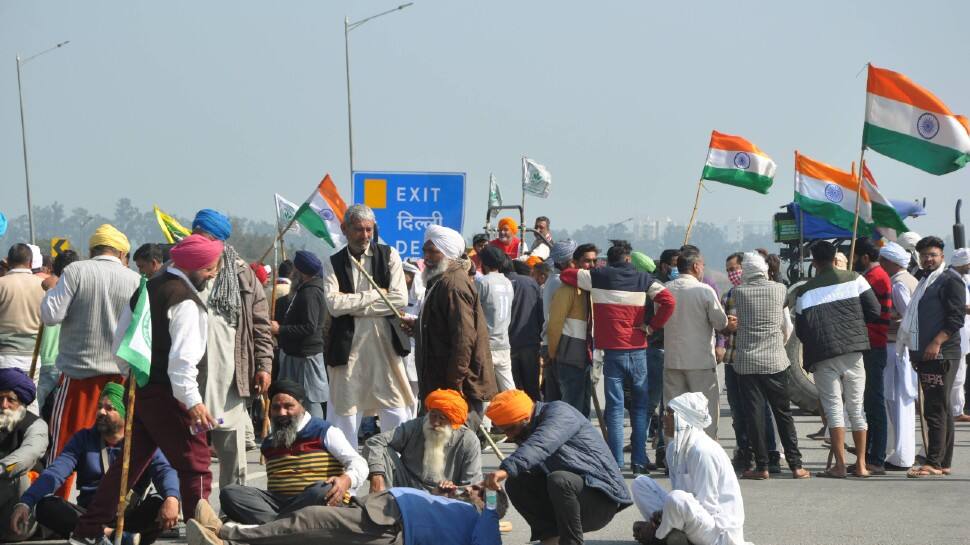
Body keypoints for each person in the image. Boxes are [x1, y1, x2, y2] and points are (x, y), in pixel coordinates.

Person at [70, 234, 224, 545]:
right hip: (171, 395)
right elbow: (182, 362)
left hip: (140, 392)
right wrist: (192, 401)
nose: (212, 274)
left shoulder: (146, 288)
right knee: (196, 465)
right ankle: (202, 533)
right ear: (195, 266)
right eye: (210, 269)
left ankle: (86, 531)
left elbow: (119, 345)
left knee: (128, 466)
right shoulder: (185, 302)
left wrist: (135, 381)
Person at [41, 224, 140, 499]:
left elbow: (51, 315)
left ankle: (54, 507)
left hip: (78, 378)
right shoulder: (133, 280)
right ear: (122, 252)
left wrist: (50, 289)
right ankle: (111, 506)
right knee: (116, 445)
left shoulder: (76, 271)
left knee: (62, 447)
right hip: (118, 379)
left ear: (92, 250)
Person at [12, 383, 179, 543]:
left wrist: (172, 497)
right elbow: (55, 472)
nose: (101, 412)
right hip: (90, 517)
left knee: (161, 503)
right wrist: (26, 501)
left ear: (126, 413)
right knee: (45, 506)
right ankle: (111, 536)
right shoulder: (83, 438)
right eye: (100, 406)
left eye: (109, 408)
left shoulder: (142, 440)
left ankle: (101, 538)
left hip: (129, 518)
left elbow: (164, 470)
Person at [560, 240, 675, 473]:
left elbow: (566, 275)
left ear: (609, 261)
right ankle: (639, 462)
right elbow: (668, 302)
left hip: (612, 352)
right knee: (640, 408)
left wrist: (588, 267)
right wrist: (652, 326)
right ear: (628, 259)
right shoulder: (644, 280)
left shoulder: (598, 276)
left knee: (614, 407)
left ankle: (615, 462)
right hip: (638, 348)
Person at [483, 390, 631, 545]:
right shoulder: (527, 428)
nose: (510, 436)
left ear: (525, 418)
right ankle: (551, 539)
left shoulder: (560, 413)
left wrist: (505, 470)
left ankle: (571, 543)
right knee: (517, 482)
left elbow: (539, 445)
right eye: (504, 431)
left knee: (560, 480)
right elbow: (533, 465)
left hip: (601, 499)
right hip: (570, 497)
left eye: (510, 429)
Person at [323, 204, 414, 448]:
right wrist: (377, 294)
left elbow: (399, 300)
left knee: (395, 409)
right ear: (344, 229)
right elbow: (333, 304)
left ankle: (395, 466)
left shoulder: (389, 255)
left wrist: (353, 305)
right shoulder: (333, 262)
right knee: (345, 412)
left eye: (368, 230)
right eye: (358, 230)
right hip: (348, 347)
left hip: (385, 345)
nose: (364, 236)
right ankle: (349, 473)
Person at [218, 379, 366, 525]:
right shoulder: (270, 442)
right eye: (276, 408)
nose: (281, 413)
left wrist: (345, 480)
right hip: (279, 503)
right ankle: (284, 527)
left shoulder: (324, 431)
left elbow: (359, 463)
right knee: (230, 493)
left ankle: (274, 528)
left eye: (288, 406)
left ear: (302, 406)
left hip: (314, 500)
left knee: (322, 490)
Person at [794, 241, 879, 479]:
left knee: (833, 410)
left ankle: (840, 466)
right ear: (834, 258)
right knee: (856, 408)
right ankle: (861, 465)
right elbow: (874, 310)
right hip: (853, 351)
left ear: (814, 261)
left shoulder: (804, 291)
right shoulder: (856, 279)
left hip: (822, 355)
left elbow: (801, 331)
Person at [187, 483, 506, 545]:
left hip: (391, 526)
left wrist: (490, 496)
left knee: (309, 520)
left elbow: (490, 522)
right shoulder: (460, 508)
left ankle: (227, 535)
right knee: (307, 531)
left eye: (483, 491)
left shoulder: (484, 520)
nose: (475, 489)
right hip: (384, 510)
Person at [409, 225, 496, 431]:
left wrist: (454, 385)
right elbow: (444, 328)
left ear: (448, 254)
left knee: (456, 445)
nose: (427, 257)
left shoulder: (454, 285)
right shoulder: (439, 281)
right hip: (440, 381)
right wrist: (418, 327)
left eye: (433, 251)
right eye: (425, 251)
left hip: (456, 386)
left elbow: (464, 339)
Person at [730, 253, 809, 481]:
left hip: (747, 362)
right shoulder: (779, 289)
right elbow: (785, 320)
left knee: (754, 415)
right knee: (783, 414)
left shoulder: (738, 292)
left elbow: (737, 319)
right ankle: (796, 465)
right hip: (775, 360)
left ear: (745, 271)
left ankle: (762, 467)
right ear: (764, 269)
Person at [631, 393, 747, 545]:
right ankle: (673, 534)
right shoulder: (674, 448)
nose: (663, 418)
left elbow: (708, 506)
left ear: (684, 419)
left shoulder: (703, 451)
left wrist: (656, 524)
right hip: (691, 517)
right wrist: (663, 516)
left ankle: (658, 537)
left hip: (717, 531)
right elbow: (679, 499)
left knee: (676, 498)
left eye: (670, 414)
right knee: (640, 484)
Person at [898, 237, 965, 477]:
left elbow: (955, 318)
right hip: (926, 354)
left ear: (942, 256)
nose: (928, 259)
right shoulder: (926, 281)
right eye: (925, 255)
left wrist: (936, 342)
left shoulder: (949, 281)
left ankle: (934, 462)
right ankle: (942, 461)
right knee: (942, 408)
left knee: (935, 409)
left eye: (933, 255)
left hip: (941, 354)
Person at [662, 247, 729, 440]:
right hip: (700, 362)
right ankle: (704, 457)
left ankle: (674, 459)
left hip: (673, 360)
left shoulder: (666, 289)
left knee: (674, 413)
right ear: (696, 266)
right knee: (704, 413)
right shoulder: (704, 290)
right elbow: (720, 322)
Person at [363, 389, 481, 493]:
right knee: (383, 450)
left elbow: (472, 485)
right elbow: (375, 442)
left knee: (486, 499)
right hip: (407, 486)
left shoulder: (468, 441)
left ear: (453, 423)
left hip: (444, 496)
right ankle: (381, 502)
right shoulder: (417, 425)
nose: (435, 423)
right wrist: (377, 476)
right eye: (433, 415)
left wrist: (453, 491)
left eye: (442, 419)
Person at [851, 237, 893, 474]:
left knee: (873, 402)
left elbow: (869, 314)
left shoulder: (874, 278)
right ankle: (868, 456)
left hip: (872, 345)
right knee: (869, 402)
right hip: (871, 344)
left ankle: (876, 457)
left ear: (864, 257)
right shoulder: (874, 277)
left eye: (855, 256)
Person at [877, 242, 920, 471]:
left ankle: (902, 457)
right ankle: (900, 454)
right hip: (902, 349)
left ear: (891, 263)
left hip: (898, 348)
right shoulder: (911, 280)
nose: (881, 265)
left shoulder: (898, 284)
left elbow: (909, 318)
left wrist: (888, 318)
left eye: (883, 261)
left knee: (898, 403)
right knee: (900, 402)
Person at [272, 251, 328, 419]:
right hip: (296, 354)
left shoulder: (310, 293)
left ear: (300, 271)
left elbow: (309, 327)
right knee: (292, 397)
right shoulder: (305, 290)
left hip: (306, 357)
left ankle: (315, 439)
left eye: (295, 269)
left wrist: (280, 330)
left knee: (311, 400)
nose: (293, 272)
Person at [0, 369, 48, 542]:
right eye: (0, 399)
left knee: (19, 475)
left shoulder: (36, 425)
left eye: (10, 400)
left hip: (21, 508)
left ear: (21, 401)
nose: (4, 405)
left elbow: (27, 455)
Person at [546, 243, 594, 416]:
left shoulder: (591, 288)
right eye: (587, 261)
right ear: (574, 263)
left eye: (594, 261)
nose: (592, 265)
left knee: (583, 408)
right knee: (571, 408)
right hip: (570, 355)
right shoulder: (566, 288)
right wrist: (552, 353)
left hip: (588, 357)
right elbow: (554, 324)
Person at [37, 250, 81, 412]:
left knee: (36, 408)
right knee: (61, 410)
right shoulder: (78, 288)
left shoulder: (48, 287)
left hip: (48, 359)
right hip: (67, 361)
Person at [541, 239, 580, 402]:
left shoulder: (553, 279)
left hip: (551, 342)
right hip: (557, 344)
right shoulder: (560, 281)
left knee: (554, 398)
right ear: (567, 261)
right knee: (564, 399)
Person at [476, 247, 515, 393]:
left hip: (487, 345)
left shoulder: (483, 282)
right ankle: (518, 415)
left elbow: (473, 310)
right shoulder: (508, 282)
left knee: (485, 391)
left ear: (483, 263)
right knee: (509, 390)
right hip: (504, 343)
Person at [0, 244, 45, 373]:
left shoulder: (2, 284)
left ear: (8, 262)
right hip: (32, 360)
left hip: (4, 359)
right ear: (30, 263)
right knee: (29, 393)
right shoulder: (42, 286)